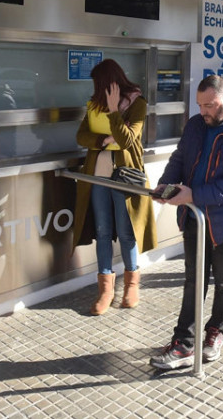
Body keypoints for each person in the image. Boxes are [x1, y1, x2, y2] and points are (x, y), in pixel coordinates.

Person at [149, 75, 223, 370]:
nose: (204, 112)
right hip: (194, 217)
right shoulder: (197, 125)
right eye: (200, 105)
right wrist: (167, 185)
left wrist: (192, 194)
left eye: (209, 105)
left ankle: (216, 332)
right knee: (193, 281)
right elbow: (180, 158)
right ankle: (184, 343)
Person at [73, 59, 157, 315]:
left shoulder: (138, 104)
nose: (95, 89)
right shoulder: (94, 105)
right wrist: (102, 139)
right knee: (102, 230)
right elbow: (81, 136)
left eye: (99, 84)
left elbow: (128, 140)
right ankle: (105, 290)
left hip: (125, 177)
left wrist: (113, 112)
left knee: (127, 230)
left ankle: (132, 285)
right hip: (97, 177)